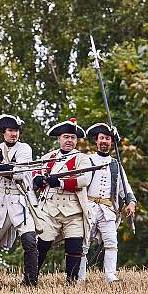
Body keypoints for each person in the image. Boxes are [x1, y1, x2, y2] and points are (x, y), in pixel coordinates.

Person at [0, 115, 40, 286]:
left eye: (16, 130)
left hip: (20, 201)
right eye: (11, 130)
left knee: (30, 242)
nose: (14, 134)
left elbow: (18, 173)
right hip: (0, 202)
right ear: (3, 132)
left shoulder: (25, 148)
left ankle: (30, 282)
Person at [32, 119, 93, 284]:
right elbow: (35, 171)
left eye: (73, 137)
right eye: (66, 137)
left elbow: (85, 179)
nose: (69, 141)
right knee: (41, 246)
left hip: (73, 210)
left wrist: (60, 182)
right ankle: (31, 279)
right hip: (50, 209)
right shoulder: (49, 157)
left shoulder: (82, 159)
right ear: (59, 138)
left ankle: (72, 282)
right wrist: (37, 179)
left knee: (74, 248)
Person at [79, 123, 137, 282]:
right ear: (96, 141)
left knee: (112, 242)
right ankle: (80, 277)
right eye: (102, 138)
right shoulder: (87, 160)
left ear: (112, 142)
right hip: (89, 208)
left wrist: (130, 202)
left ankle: (110, 275)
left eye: (108, 138)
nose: (104, 141)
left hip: (108, 210)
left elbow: (125, 188)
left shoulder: (115, 164)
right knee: (83, 243)